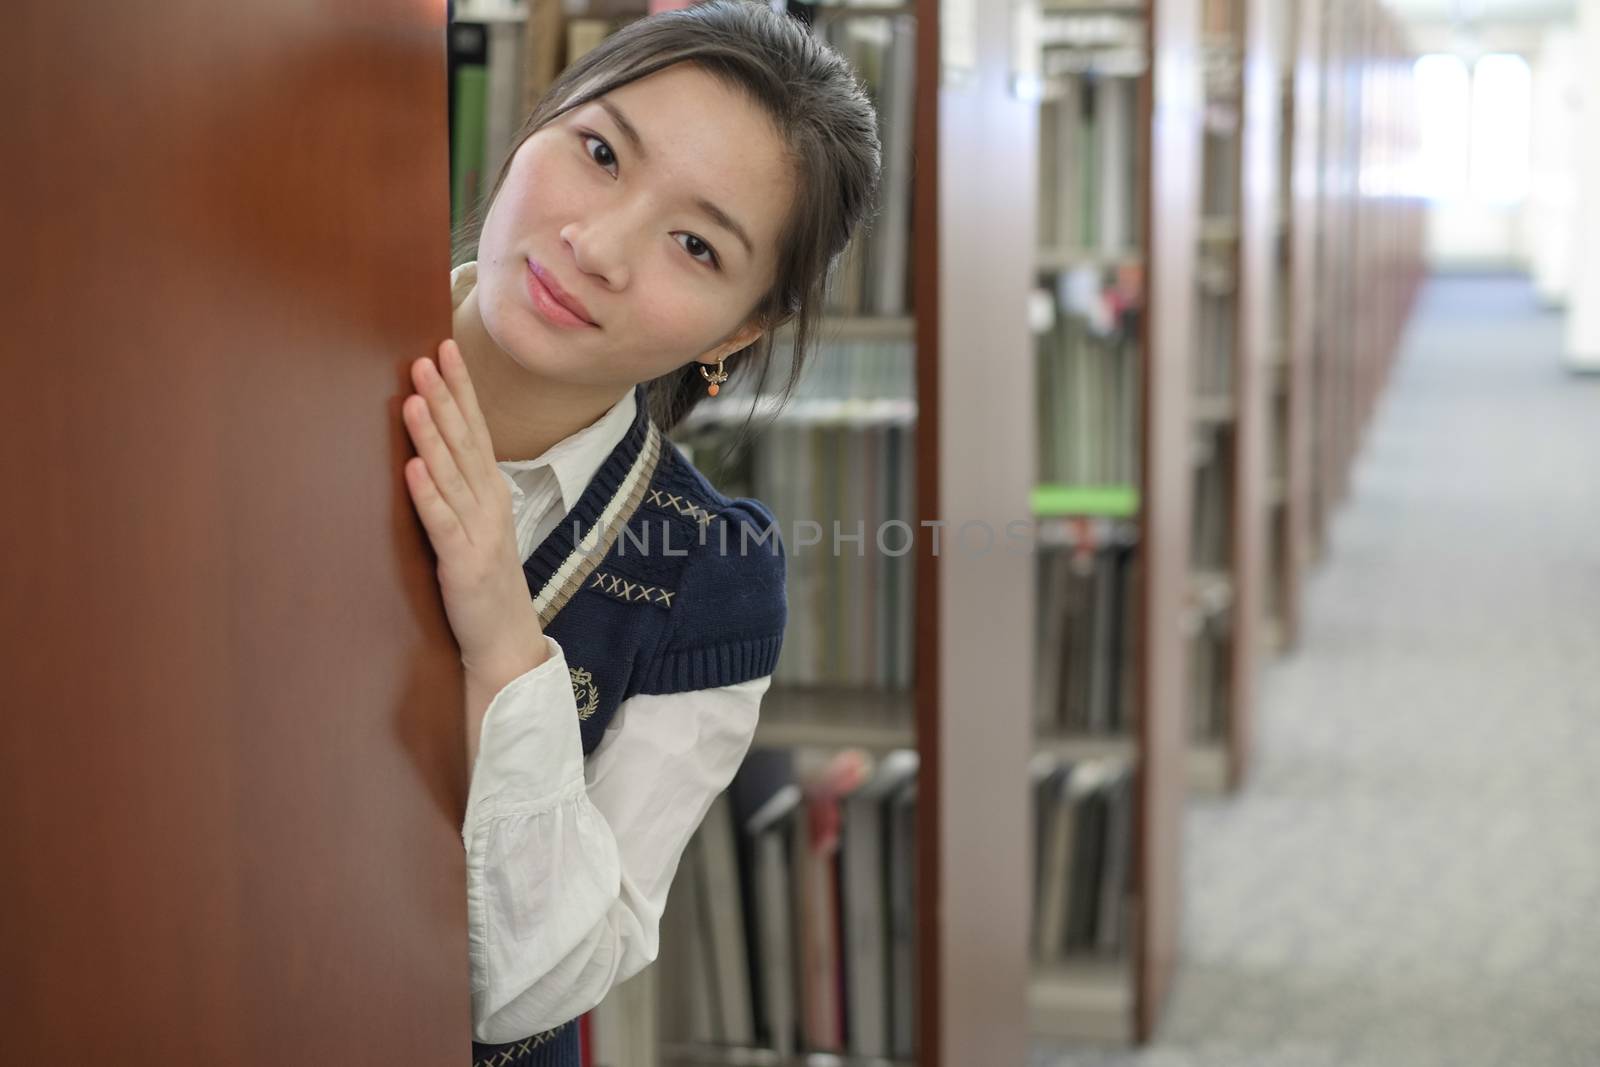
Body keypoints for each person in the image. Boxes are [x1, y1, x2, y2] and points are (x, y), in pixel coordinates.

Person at [399, 3, 881, 1064]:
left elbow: (541, 981)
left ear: (740, 326)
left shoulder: (709, 574)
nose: (598, 247)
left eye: (696, 244)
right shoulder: (261, 362)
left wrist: (504, 640)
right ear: (543, 114)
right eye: (601, 151)